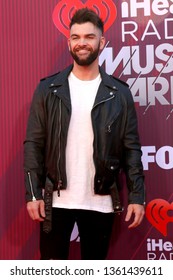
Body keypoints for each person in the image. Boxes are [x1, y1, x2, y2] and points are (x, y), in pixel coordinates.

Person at [24, 7, 145, 260]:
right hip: (55, 202)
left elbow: (131, 149)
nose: (82, 43)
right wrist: (33, 193)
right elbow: (34, 144)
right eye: (76, 37)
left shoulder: (120, 94)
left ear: (101, 42)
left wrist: (137, 196)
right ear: (69, 42)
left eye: (89, 37)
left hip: (100, 200)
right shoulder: (48, 89)